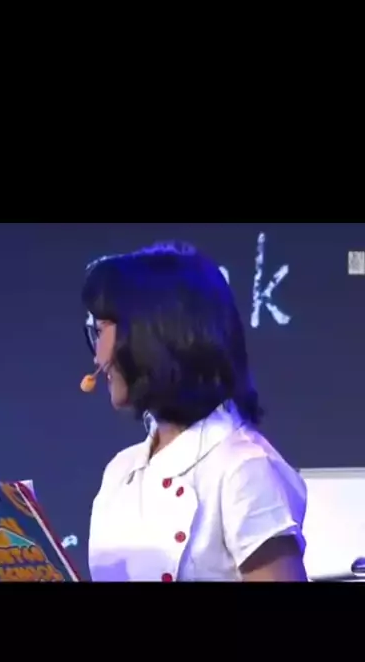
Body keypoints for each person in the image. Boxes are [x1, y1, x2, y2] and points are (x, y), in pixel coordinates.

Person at [82, 241, 308, 582]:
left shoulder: (244, 468)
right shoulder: (120, 471)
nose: (98, 356)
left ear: (153, 334)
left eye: (101, 331)